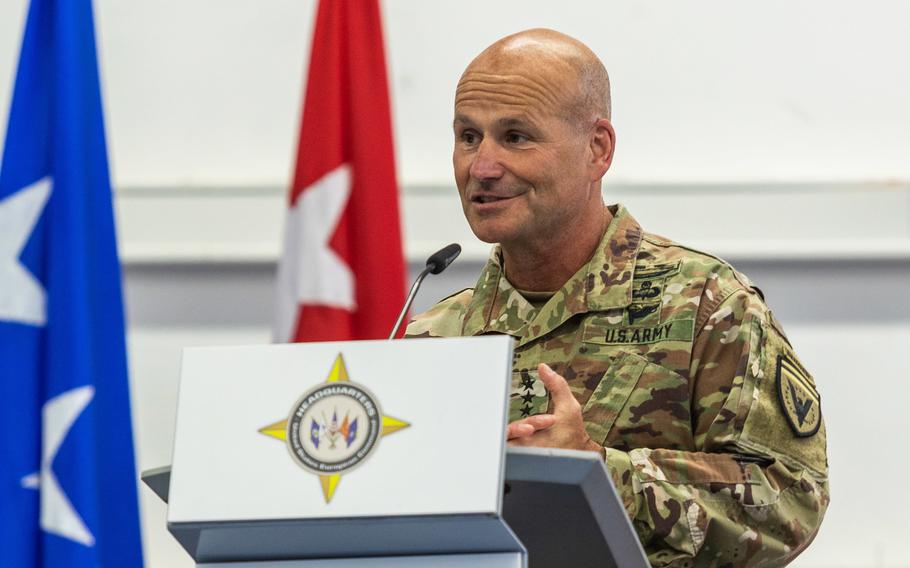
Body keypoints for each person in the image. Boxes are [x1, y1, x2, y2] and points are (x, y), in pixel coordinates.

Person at [405, 28, 829, 566]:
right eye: (468, 136)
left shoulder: (706, 305)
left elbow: (791, 500)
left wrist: (596, 471)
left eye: (515, 137)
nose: (481, 167)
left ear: (596, 149)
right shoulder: (434, 335)